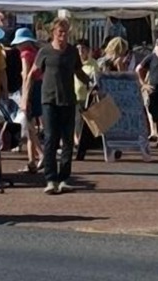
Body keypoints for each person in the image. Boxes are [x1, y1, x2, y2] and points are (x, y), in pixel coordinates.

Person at [34, 17, 92, 195]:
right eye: (60, 32)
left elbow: (78, 71)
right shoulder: (45, 51)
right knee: (51, 139)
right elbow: (32, 74)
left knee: (68, 141)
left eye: (66, 32)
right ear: (53, 32)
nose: (64, 35)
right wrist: (26, 97)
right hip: (49, 99)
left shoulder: (72, 51)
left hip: (68, 99)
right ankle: (50, 179)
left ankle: (64, 178)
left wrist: (92, 84)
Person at [16, 28, 44, 175]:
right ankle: (32, 161)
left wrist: (24, 97)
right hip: (38, 87)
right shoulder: (37, 53)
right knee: (30, 126)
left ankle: (39, 154)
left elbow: (26, 75)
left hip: (30, 89)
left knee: (29, 126)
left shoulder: (25, 54)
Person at [73, 39, 99, 161]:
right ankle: (77, 143)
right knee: (76, 122)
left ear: (88, 50)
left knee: (85, 123)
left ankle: (80, 145)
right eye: (78, 49)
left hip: (87, 97)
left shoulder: (93, 64)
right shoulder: (72, 62)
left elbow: (95, 79)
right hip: (73, 96)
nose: (80, 51)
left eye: (83, 48)